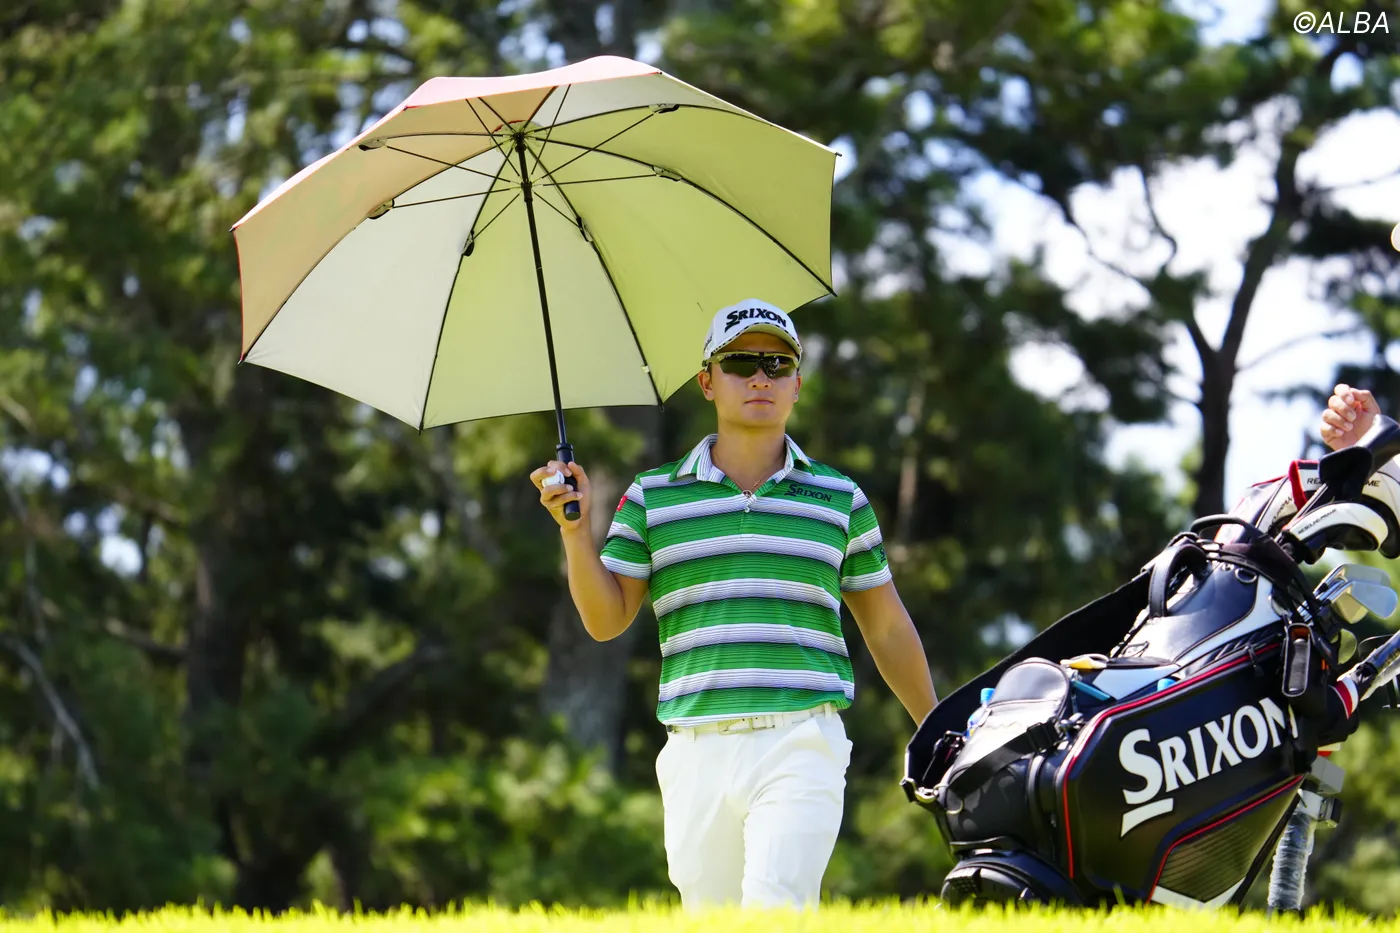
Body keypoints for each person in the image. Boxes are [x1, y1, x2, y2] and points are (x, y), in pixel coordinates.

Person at [529, 298, 937, 911]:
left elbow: (886, 627)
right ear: (707, 382)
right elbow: (606, 620)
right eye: (741, 362)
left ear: (797, 384)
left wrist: (936, 726)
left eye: (778, 364)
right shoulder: (652, 497)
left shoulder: (839, 498)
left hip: (803, 738)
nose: (760, 378)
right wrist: (574, 532)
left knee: (776, 909)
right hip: (695, 747)